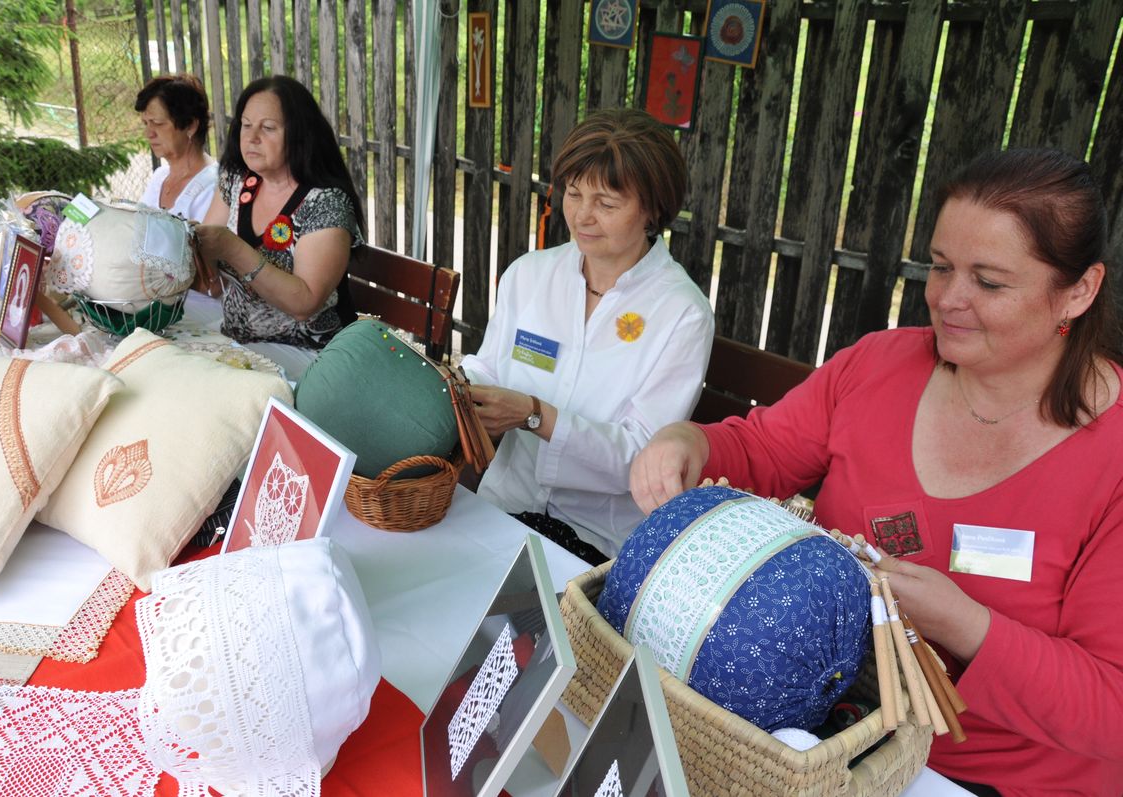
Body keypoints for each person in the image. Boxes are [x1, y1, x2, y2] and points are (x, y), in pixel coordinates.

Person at [629, 148, 1123, 796]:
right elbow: (763, 450)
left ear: (1080, 290)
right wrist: (688, 440)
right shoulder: (881, 364)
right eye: (940, 266)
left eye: (989, 282)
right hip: (829, 740)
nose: (948, 299)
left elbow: (1110, 707)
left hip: (982, 778)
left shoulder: (1111, 457)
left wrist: (962, 623)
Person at [461, 108, 714, 564]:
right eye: (574, 194)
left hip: (597, 544)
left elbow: (639, 455)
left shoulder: (681, 313)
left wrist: (535, 416)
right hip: (501, 509)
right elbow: (491, 367)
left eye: (607, 204)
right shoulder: (530, 275)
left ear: (653, 210)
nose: (582, 216)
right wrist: (459, 384)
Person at [192, 75, 365, 349]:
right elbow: (207, 272)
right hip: (239, 341)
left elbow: (304, 304)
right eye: (246, 125)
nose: (252, 138)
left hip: (311, 352)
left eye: (268, 127)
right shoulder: (236, 181)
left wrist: (231, 247)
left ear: (300, 134)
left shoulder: (326, 203)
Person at [134, 74, 218, 221]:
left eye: (158, 123)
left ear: (190, 125)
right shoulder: (159, 178)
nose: (148, 133)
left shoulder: (214, 188)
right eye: (145, 123)